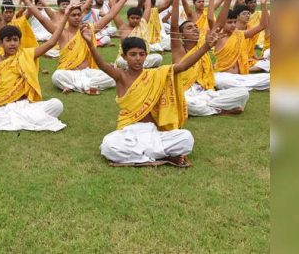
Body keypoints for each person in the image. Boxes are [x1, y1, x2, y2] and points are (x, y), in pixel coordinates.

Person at [83, 24, 220, 166]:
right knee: (108, 145)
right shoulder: (121, 76)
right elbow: (103, 66)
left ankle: (139, 158)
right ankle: (161, 157)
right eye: (133, 54)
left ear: (146, 56)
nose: (138, 58)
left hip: (153, 131)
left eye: (142, 54)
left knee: (186, 137)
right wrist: (90, 44)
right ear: (124, 56)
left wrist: (206, 46)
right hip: (129, 132)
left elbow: (183, 66)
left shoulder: (155, 74)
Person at [0, 7, 72, 132]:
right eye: (8, 40)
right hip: (5, 107)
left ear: (19, 41)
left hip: (27, 105)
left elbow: (51, 43)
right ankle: (28, 121)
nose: (12, 43)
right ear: (0, 43)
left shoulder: (27, 54)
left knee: (57, 104)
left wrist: (66, 16)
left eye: (15, 40)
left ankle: (15, 122)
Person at [169, 0, 250, 116]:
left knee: (243, 93)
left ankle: (209, 107)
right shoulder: (179, 50)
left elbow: (218, 24)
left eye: (195, 27)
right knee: (187, 104)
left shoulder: (203, 43)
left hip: (206, 91)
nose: (195, 29)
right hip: (187, 92)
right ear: (181, 35)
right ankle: (220, 110)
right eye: (189, 28)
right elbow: (173, 27)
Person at [24, 0, 120, 94]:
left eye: (79, 15)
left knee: (111, 78)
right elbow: (42, 19)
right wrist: (27, 1)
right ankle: (88, 87)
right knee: (56, 76)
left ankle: (75, 87)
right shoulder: (61, 33)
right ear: (67, 17)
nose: (77, 17)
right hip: (68, 72)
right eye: (73, 15)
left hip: (87, 72)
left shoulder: (88, 30)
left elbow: (110, 15)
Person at [213, 0, 271, 91]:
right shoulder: (219, 35)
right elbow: (220, 21)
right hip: (224, 77)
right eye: (229, 22)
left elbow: (263, 25)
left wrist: (263, 4)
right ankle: (245, 88)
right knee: (221, 81)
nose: (233, 25)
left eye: (234, 22)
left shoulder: (240, 34)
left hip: (241, 77)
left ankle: (243, 87)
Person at [111, 0, 164, 69]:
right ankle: (140, 67)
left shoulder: (143, 23)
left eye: (137, 18)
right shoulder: (122, 27)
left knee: (158, 58)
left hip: (142, 58)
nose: (135, 20)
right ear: (128, 18)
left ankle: (137, 66)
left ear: (140, 18)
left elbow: (147, 7)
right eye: (132, 18)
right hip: (127, 59)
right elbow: (113, 11)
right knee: (121, 61)